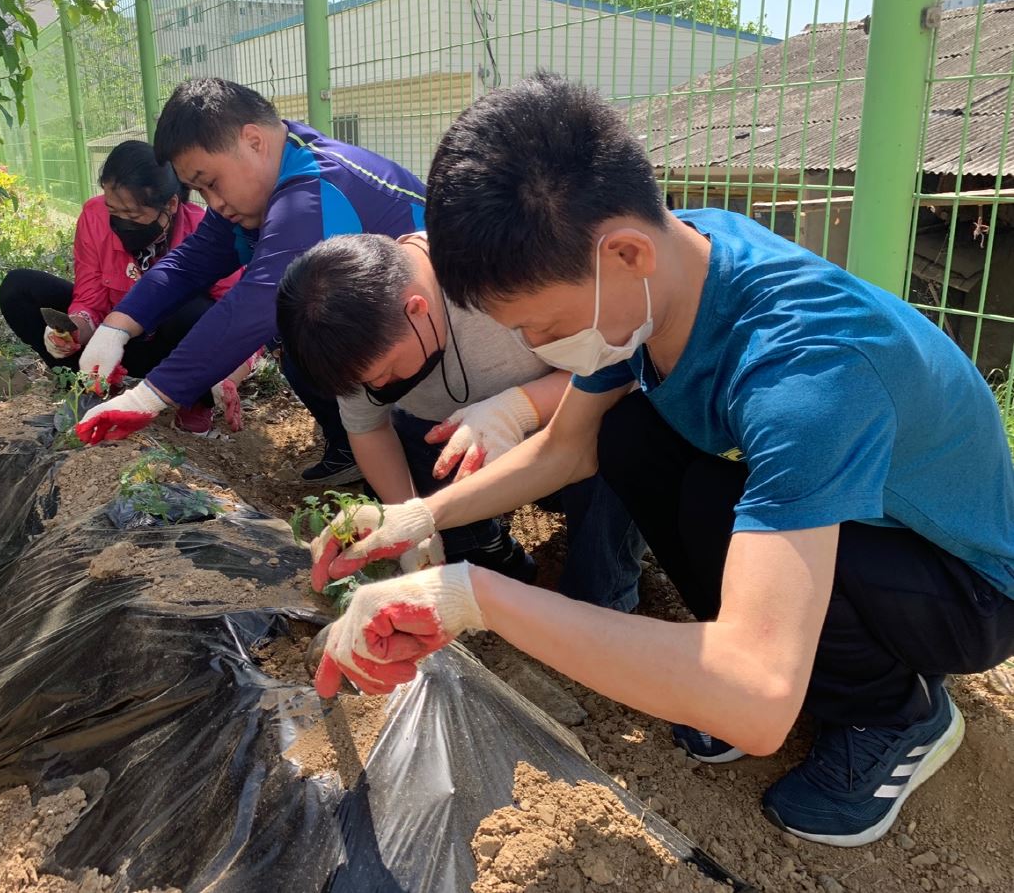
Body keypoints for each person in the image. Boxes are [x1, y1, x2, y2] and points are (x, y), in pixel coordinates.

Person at [306, 74, 1014, 847]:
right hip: (870, 520)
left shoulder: (808, 375)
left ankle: (896, 714)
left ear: (627, 252)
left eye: (544, 324)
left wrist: (469, 595)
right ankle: (774, 652)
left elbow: (755, 701)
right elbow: (566, 448)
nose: (540, 351)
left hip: (966, 586)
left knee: (749, 658)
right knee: (630, 437)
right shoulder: (666, 276)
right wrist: (414, 517)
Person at [72, 78, 428, 485]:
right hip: (391, 328)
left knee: (294, 319)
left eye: (211, 182)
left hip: (449, 340)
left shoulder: (311, 193)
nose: (213, 202)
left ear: (253, 141)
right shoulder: (269, 177)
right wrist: (116, 326)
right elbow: (191, 262)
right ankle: (355, 448)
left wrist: (147, 397)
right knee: (297, 332)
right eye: (199, 190)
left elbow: (255, 306)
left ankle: (455, 517)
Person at [277, 231, 644, 604]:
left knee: (625, 436)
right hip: (452, 446)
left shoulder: (502, 270)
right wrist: (411, 523)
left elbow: (617, 365)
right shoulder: (352, 336)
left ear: (416, 309)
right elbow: (369, 427)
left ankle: (601, 599)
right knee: (465, 565)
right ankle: (492, 550)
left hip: (576, 431)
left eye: (386, 372)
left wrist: (515, 409)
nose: (381, 385)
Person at [0, 140, 248, 433]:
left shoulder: (205, 232)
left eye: (132, 215)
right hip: (112, 341)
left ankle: (195, 399)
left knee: (193, 310)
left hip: (174, 353)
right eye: (113, 211)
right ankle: (91, 382)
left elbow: (238, 314)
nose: (120, 223)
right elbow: (89, 296)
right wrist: (74, 330)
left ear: (170, 204)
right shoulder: (94, 216)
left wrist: (230, 376)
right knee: (19, 287)